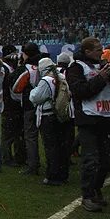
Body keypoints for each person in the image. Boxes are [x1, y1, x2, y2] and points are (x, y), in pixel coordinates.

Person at [66, 37, 110, 212]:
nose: (101, 52)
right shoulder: (76, 68)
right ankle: (88, 195)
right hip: (89, 119)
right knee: (91, 159)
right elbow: (81, 91)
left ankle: (96, 189)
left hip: (107, 118)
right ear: (87, 51)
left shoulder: (102, 66)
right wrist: (102, 77)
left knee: (106, 161)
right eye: (98, 49)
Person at [29, 57, 70, 186]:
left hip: (48, 115)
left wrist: (33, 90)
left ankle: (53, 175)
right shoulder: (62, 77)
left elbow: (35, 97)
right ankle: (63, 173)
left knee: (51, 147)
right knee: (61, 145)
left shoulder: (46, 80)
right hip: (60, 115)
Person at [12, 42, 43, 175]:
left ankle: (33, 165)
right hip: (45, 104)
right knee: (48, 137)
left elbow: (16, 87)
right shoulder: (44, 65)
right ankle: (54, 165)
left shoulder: (27, 68)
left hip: (30, 105)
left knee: (30, 136)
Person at [0, 45, 26, 168]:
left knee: (17, 132)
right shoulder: (4, 68)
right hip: (9, 103)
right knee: (9, 134)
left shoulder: (9, 68)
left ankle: (18, 156)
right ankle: (7, 157)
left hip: (13, 103)